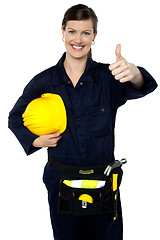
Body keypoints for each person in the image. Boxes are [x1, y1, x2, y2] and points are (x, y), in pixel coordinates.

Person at [8, 4, 157, 240]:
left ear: (94, 36)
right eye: (72, 31)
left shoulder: (109, 77)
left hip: (104, 183)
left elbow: (142, 86)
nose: (78, 39)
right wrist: (35, 140)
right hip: (61, 184)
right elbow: (14, 117)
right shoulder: (45, 81)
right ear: (63, 32)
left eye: (86, 33)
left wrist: (133, 71)